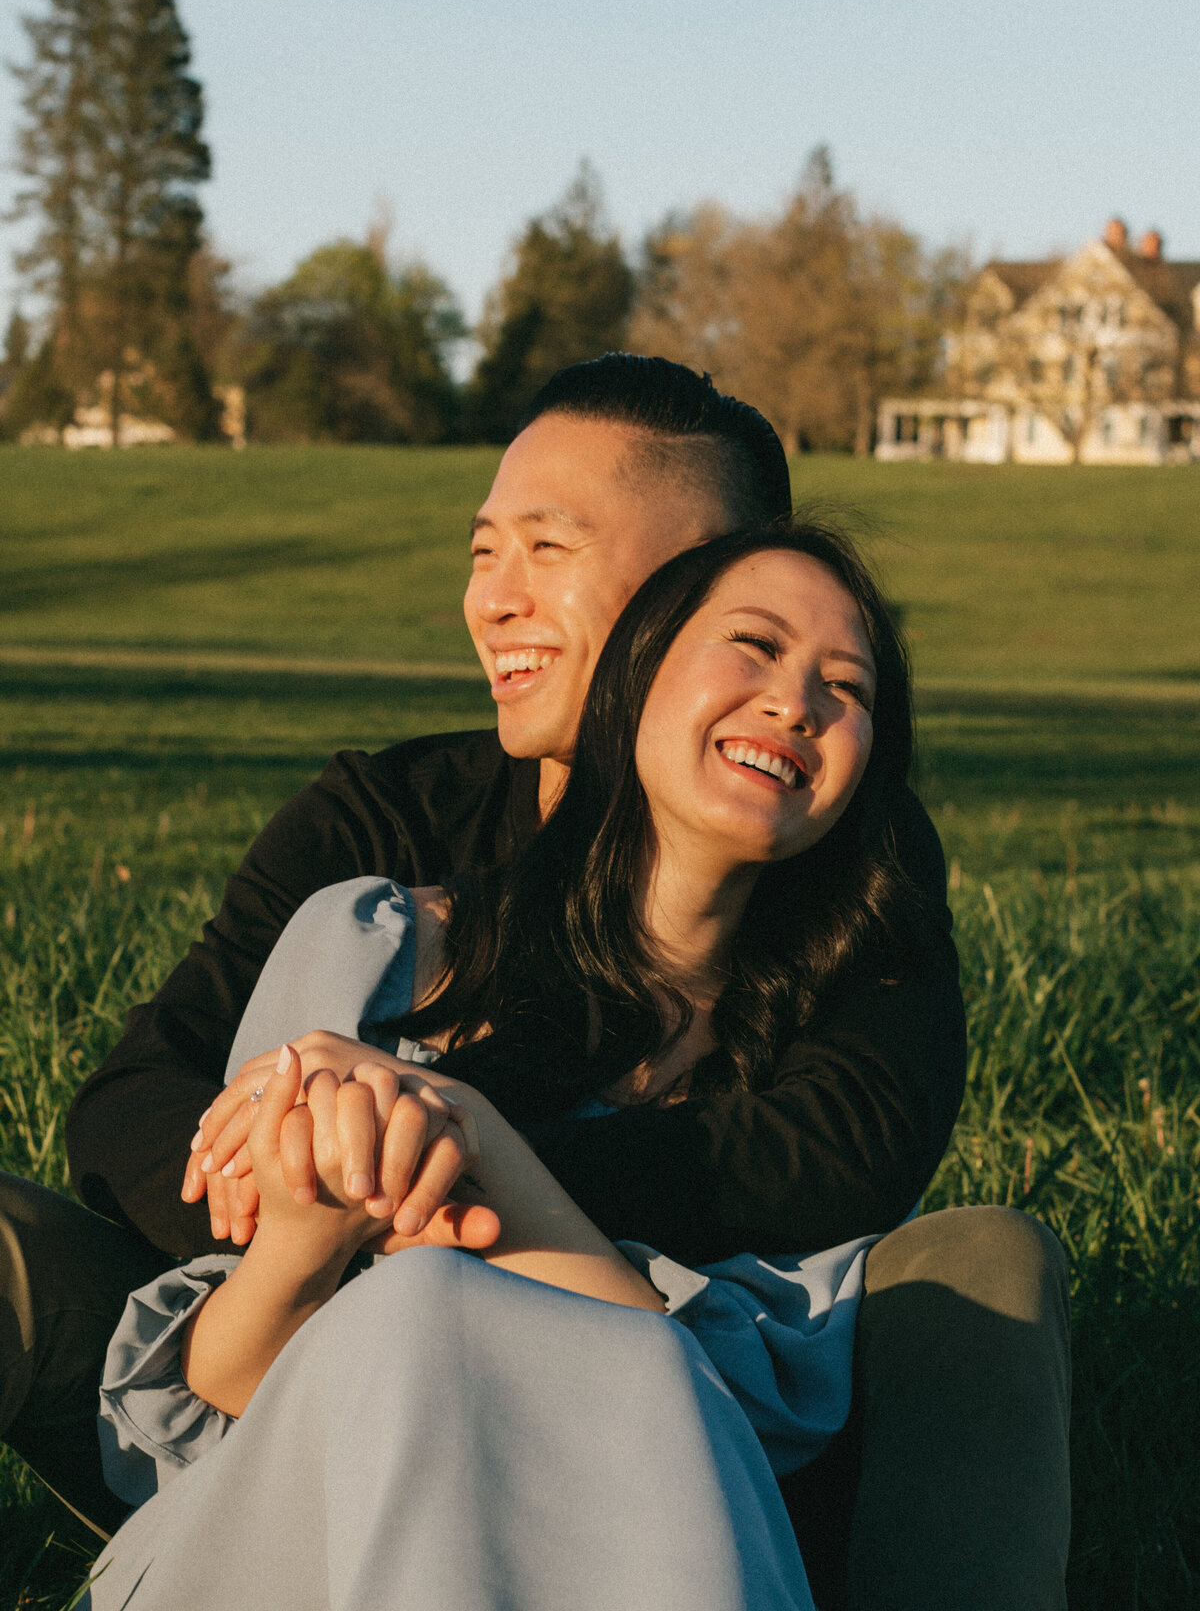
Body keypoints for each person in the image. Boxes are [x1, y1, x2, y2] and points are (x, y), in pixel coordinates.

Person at [0, 355, 1070, 1609]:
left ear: (693, 584)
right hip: (277, 1325)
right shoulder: (384, 841)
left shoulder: (846, 857)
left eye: (547, 550)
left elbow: (841, 1153)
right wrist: (316, 1184)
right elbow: (133, 1104)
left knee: (987, 1266)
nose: (494, 602)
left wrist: (466, 1166)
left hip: (714, 1365)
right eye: (483, 552)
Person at [87, 520, 924, 1610]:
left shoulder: (826, 1071)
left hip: (627, 1549)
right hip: (306, 1533)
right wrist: (307, 1235)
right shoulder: (378, 953)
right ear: (636, 676)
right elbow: (196, 1419)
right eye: (754, 646)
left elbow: (736, 1433)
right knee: (418, 1308)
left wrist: (472, 1138)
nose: (796, 701)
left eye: (845, 688)